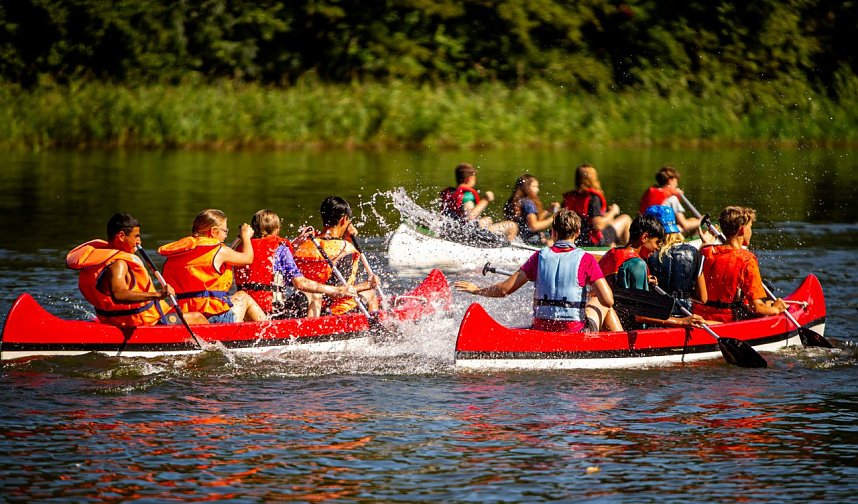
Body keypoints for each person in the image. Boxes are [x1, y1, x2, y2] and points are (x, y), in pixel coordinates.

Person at [454, 209, 622, 333]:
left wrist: (476, 290)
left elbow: (504, 289)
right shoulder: (586, 260)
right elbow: (608, 300)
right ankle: (620, 348)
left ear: (553, 232)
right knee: (602, 303)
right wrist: (591, 293)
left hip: (542, 328)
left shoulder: (539, 257)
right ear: (578, 233)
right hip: (573, 331)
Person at [66, 213, 208, 326]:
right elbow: (119, 295)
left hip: (111, 320)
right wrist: (158, 295)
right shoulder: (119, 263)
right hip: (142, 323)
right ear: (121, 236)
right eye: (136, 236)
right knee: (198, 317)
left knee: (183, 312)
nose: (139, 241)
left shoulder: (97, 259)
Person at [233, 209, 357, 319]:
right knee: (314, 294)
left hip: (247, 312)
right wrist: (336, 290)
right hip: (270, 315)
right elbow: (300, 283)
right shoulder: (280, 248)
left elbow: (266, 259)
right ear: (277, 229)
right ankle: (310, 337)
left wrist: (295, 243)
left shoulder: (241, 249)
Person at [158, 209, 267, 323]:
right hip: (215, 316)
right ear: (214, 232)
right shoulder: (220, 251)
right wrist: (245, 236)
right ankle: (270, 334)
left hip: (185, 312)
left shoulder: (176, 254)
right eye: (225, 231)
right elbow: (247, 258)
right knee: (243, 296)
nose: (226, 234)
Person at [599, 214, 703, 328]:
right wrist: (681, 321)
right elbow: (639, 315)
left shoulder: (611, 254)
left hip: (608, 324)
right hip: (628, 331)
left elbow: (618, 289)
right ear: (644, 237)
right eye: (657, 242)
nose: (657, 248)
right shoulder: (638, 265)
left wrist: (644, 282)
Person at [693, 206, 786, 323]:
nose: (751, 231)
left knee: (763, 291)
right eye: (750, 227)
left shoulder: (705, 252)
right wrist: (776, 309)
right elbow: (756, 308)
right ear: (742, 230)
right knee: (766, 299)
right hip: (726, 319)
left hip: (699, 314)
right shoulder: (747, 259)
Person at [293, 196, 380, 316]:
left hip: (307, 304)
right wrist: (367, 285)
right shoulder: (346, 249)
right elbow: (339, 290)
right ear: (344, 220)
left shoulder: (305, 244)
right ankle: (376, 331)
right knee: (370, 293)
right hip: (334, 310)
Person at [643, 205, 708, 316]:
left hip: (655, 315)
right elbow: (703, 298)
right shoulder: (694, 253)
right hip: (684, 315)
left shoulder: (647, 253)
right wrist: (682, 293)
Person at [439, 162, 518, 241]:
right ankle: (507, 246)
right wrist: (486, 200)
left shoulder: (450, 192)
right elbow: (470, 216)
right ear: (469, 178)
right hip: (467, 233)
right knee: (512, 225)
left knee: (487, 219)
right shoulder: (467, 195)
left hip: (452, 229)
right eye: (474, 176)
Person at [562, 163, 631, 247]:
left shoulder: (570, 196)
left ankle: (613, 246)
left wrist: (607, 215)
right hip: (593, 241)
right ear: (593, 179)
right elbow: (598, 225)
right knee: (626, 219)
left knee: (610, 234)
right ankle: (629, 254)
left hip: (574, 239)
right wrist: (613, 211)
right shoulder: (593, 197)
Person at [638, 166, 701, 233]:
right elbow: (685, 225)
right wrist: (701, 220)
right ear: (670, 181)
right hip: (662, 235)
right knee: (695, 224)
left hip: (644, 231)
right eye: (676, 182)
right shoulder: (672, 199)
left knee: (692, 220)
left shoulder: (650, 192)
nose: (677, 184)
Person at [503, 173, 560, 244]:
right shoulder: (528, 203)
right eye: (534, 187)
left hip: (519, 237)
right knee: (555, 239)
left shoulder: (513, 201)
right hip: (530, 240)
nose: (537, 190)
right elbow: (534, 226)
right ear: (526, 187)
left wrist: (548, 210)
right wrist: (552, 219)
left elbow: (535, 220)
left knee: (546, 235)